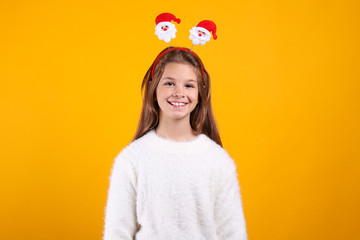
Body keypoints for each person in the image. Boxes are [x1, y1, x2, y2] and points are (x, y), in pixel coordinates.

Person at [103, 47, 248, 240]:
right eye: (170, 83)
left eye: (189, 85)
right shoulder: (131, 159)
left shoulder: (218, 160)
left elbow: (233, 233)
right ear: (154, 90)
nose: (179, 93)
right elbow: (117, 233)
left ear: (199, 95)